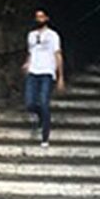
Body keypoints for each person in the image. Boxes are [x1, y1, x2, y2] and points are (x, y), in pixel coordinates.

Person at [22, 8, 65, 147]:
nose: (39, 19)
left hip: (47, 71)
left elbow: (58, 54)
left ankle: (45, 137)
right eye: (37, 17)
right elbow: (31, 52)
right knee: (30, 103)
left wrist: (60, 76)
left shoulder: (53, 35)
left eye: (41, 17)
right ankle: (40, 117)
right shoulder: (31, 35)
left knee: (44, 102)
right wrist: (27, 63)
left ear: (46, 18)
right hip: (33, 71)